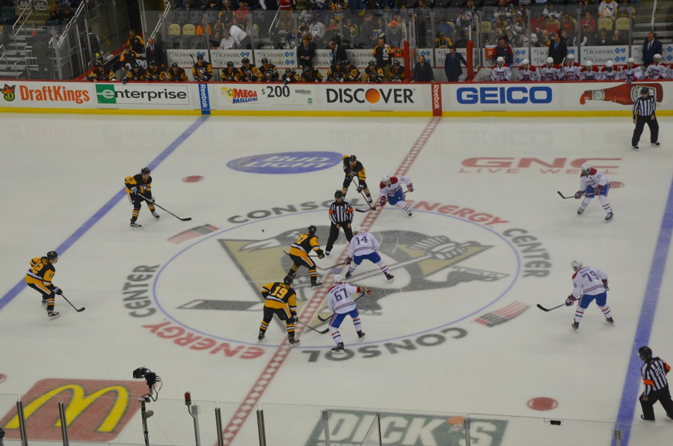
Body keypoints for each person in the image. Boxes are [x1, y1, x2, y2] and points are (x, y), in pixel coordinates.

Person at [326, 275, 371, 353]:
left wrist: (334, 311)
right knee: (356, 316)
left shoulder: (330, 291)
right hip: (351, 306)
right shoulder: (346, 285)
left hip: (340, 310)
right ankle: (360, 334)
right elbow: (355, 289)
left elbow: (330, 306)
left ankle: (340, 345)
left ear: (334, 282)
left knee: (332, 327)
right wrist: (364, 290)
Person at [565, 260, 614, 331]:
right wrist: (605, 285)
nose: (574, 269)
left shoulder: (576, 275)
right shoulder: (591, 268)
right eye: (574, 267)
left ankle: (576, 323)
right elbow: (604, 274)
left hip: (588, 293)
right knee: (602, 305)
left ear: (579, 265)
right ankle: (610, 318)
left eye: (575, 267)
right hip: (601, 290)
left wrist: (570, 299)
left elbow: (577, 291)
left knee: (580, 307)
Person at [257, 275, 300, 346]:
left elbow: (264, 289)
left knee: (266, 320)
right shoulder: (291, 291)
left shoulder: (276, 284)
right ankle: (292, 339)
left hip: (268, 303)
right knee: (290, 320)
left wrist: (268, 298)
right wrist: (294, 314)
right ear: (291, 283)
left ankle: (261, 334)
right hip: (279, 305)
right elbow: (292, 306)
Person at [638, 346, 673, 421]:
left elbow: (648, 384)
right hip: (665, 385)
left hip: (655, 390)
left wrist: (646, 395)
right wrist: (662, 376)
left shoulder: (645, 368)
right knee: (667, 400)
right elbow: (668, 368)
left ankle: (649, 417)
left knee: (643, 400)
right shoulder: (657, 359)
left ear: (642, 356)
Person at [25, 251, 62, 319]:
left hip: (31, 276)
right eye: (55, 258)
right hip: (33, 281)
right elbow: (47, 283)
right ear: (51, 259)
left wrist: (37, 271)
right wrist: (55, 289)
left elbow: (32, 261)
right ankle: (50, 312)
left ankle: (44, 300)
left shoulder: (43, 258)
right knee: (51, 293)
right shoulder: (51, 269)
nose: (57, 259)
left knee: (45, 288)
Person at [325, 190, 354, 256]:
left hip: (345, 221)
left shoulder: (347, 203)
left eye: (339, 198)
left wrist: (349, 221)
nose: (337, 199)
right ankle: (328, 249)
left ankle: (355, 248)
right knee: (333, 236)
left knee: (349, 237)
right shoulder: (333, 204)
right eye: (336, 198)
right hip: (336, 222)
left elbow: (351, 212)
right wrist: (336, 223)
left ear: (342, 197)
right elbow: (331, 214)